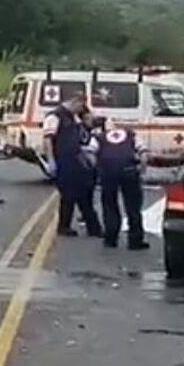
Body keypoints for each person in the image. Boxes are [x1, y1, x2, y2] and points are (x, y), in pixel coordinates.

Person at [43, 94, 102, 237]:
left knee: (83, 194)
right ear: (75, 102)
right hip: (63, 161)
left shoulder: (72, 117)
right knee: (69, 196)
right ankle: (65, 227)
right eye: (81, 106)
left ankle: (93, 229)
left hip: (76, 160)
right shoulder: (54, 117)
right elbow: (48, 140)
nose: (81, 110)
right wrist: (51, 161)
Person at [94, 118, 150, 250]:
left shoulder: (100, 138)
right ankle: (135, 241)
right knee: (133, 207)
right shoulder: (132, 135)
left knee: (109, 204)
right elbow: (144, 154)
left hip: (108, 173)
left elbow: (90, 152)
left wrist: (97, 169)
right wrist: (142, 171)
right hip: (129, 171)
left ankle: (111, 239)